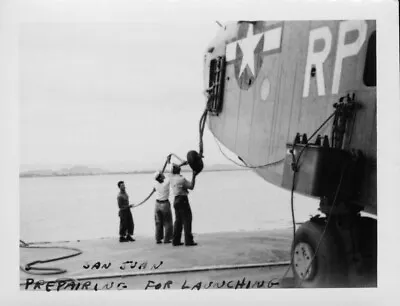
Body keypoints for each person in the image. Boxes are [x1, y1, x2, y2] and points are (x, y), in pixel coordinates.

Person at [170, 163, 198, 246]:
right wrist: (194, 175)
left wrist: (182, 164)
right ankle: (189, 241)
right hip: (183, 200)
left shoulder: (171, 177)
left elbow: (174, 169)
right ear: (179, 170)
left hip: (176, 200)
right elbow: (191, 186)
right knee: (187, 220)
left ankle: (175, 241)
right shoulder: (181, 179)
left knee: (178, 221)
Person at [153, 171, 173, 244]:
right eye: (162, 174)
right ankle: (167, 239)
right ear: (160, 177)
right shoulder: (166, 183)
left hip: (157, 204)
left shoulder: (155, 184)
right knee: (167, 222)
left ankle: (158, 239)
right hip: (164, 204)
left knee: (158, 222)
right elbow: (171, 174)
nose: (163, 174)